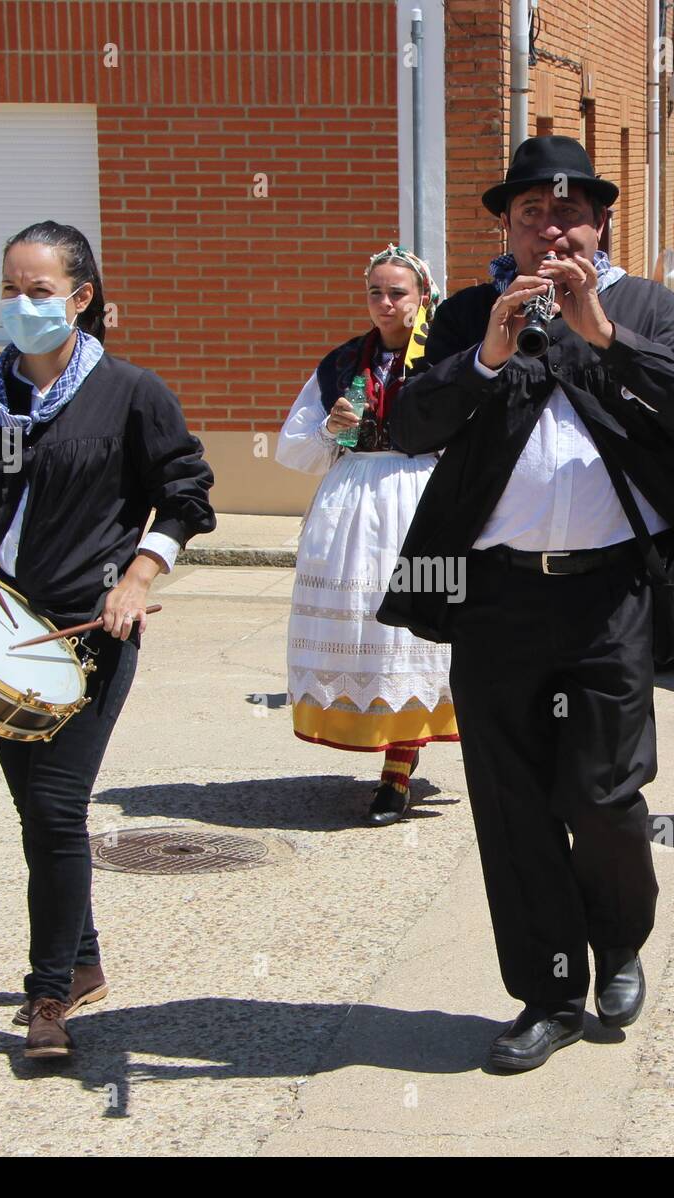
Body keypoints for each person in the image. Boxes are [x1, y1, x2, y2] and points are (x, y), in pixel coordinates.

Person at [378, 135, 674, 1072]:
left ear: (599, 224)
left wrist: (602, 333)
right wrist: (484, 355)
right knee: (511, 804)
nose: (549, 230)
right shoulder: (471, 310)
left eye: (568, 216)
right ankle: (549, 993)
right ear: (507, 228)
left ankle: (619, 941)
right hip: (496, 596)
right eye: (529, 216)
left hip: (611, 594)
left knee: (604, 794)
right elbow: (408, 424)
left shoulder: (643, 304)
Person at [0, 221, 216, 1058]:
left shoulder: (131, 395)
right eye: (10, 287)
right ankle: (81, 961)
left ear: (81, 299)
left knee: (55, 805)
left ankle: (47, 1000)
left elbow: (186, 497)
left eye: (39, 291)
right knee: (38, 817)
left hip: (85, 635)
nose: (20, 304)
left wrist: (137, 580)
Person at [275, 244, 458, 825]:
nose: (385, 303)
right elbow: (292, 447)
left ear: (423, 297)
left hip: (419, 498)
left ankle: (398, 771)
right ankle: (382, 741)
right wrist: (331, 428)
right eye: (375, 292)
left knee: (416, 632)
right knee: (366, 628)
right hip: (351, 504)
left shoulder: (447, 358)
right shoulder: (341, 364)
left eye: (397, 292)